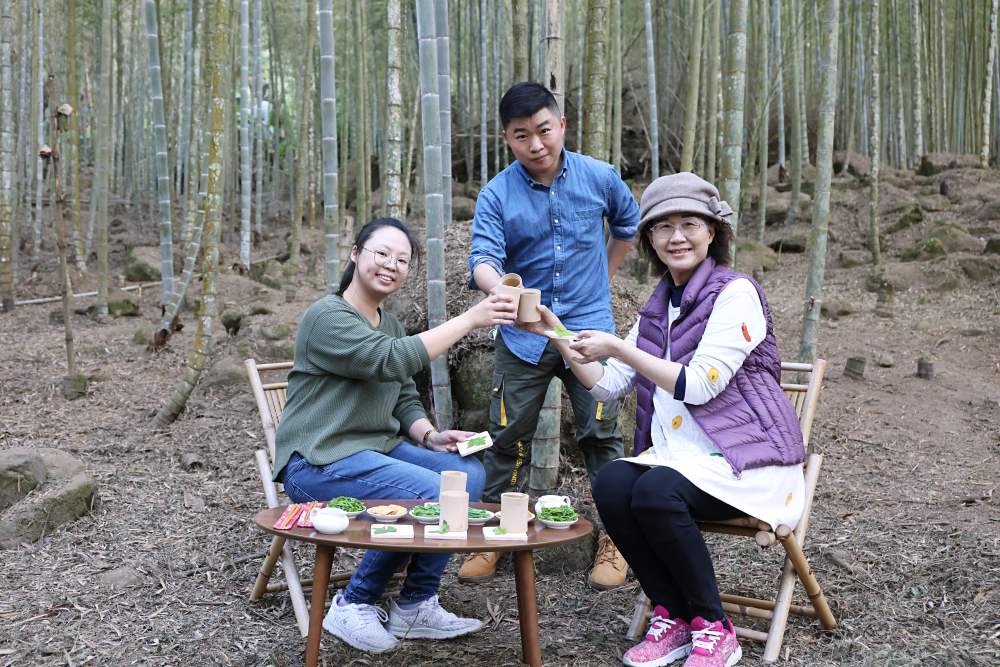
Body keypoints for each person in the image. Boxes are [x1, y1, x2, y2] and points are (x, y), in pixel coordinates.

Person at [524, 172, 807, 667]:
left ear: (713, 231)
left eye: (689, 224)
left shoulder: (736, 293)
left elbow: (698, 384)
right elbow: (607, 384)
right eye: (663, 227)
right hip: (684, 460)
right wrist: (556, 332)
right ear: (650, 239)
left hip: (745, 462)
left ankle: (714, 627)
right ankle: (672, 615)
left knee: (656, 491)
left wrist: (617, 347)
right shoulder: (658, 306)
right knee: (613, 482)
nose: (676, 237)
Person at [273, 218, 517, 654]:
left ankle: (415, 605)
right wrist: (471, 318)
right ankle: (353, 602)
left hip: (376, 451)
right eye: (381, 253)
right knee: (434, 493)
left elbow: (403, 393)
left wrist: (429, 436)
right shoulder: (327, 317)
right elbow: (387, 361)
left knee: (466, 474)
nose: (391, 265)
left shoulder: (390, 323)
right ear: (354, 254)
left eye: (402, 260)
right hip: (319, 462)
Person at [460, 82, 640, 588]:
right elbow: (483, 261)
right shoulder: (497, 193)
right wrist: (506, 293)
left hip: (590, 333)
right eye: (522, 136)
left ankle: (615, 541)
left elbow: (628, 224)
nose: (536, 144)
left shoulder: (599, 177)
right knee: (505, 437)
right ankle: (495, 532)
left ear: (561, 125)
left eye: (544, 130)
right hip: (525, 336)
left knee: (602, 436)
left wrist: (605, 275)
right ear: (507, 139)